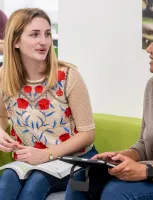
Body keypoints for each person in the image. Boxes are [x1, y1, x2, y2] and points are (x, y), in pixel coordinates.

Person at [66, 16, 153, 200]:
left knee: (116, 194)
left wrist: (145, 171)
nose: (149, 49)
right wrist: (121, 157)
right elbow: (144, 145)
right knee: (83, 179)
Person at [0, 8, 97, 200]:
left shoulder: (69, 76)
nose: (43, 41)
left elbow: (87, 134)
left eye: (47, 34)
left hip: (73, 159)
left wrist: (47, 155)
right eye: (35, 34)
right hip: (28, 160)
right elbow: (2, 116)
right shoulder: (3, 77)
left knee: (35, 185)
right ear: (16, 42)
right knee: (6, 184)